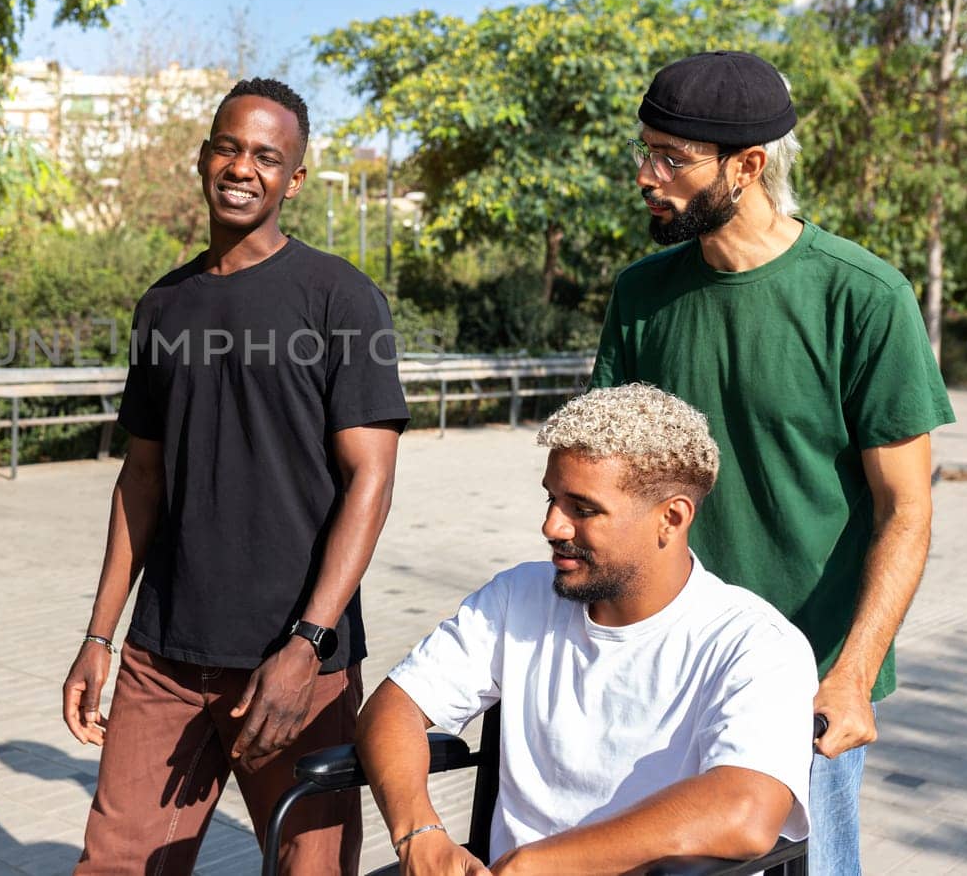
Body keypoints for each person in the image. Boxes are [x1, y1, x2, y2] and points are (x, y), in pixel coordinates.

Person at [591, 49, 955, 874]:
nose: (648, 176)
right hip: (662, 669)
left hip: (806, 685)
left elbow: (907, 509)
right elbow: (605, 482)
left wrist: (853, 674)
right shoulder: (641, 296)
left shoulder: (863, 297)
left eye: (672, 158)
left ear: (748, 165)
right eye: (644, 150)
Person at [61, 77, 409, 875]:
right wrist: (98, 636)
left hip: (292, 664)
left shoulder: (342, 299)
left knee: (311, 871)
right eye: (229, 146)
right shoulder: (163, 307)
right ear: (203, 156)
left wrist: (308, 642)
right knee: (114, 864)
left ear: (296, 177)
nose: (242, 166)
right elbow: (139, 479)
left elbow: (371, 480)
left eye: (266, 155)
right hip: (164, 656)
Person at [359, 383, 819, 875]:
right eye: (551, 499)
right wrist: (419, 833)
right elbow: (394, 708)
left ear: (672, 517)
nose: (551, 526)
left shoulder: (755, 645)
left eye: (583, 509)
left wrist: (534, 865)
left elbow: (745, 812)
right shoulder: (518, 596)